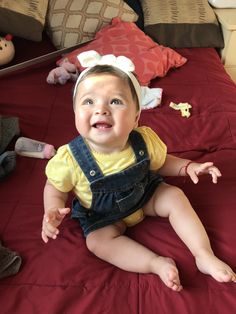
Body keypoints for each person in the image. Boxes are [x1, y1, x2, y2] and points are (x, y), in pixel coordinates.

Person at [41, 53, 236, 292]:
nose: (101, 109)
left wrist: (187, 166)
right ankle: (155, 263)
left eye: (115, 101)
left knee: (174, 196)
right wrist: (51, 209)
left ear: (135, 118)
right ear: (75, 115)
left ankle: (203, 255)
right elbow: (55, 187)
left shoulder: (142, 139)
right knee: (97, 242)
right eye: (89, 101)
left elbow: (161, 163)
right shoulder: (69, 158)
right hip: (102, 215)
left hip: (145, 194)